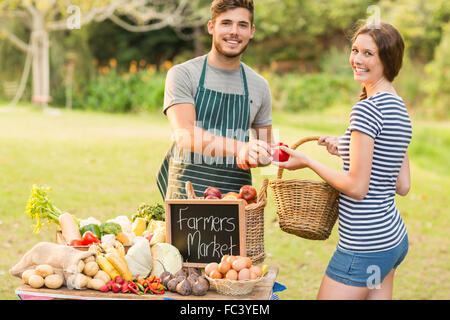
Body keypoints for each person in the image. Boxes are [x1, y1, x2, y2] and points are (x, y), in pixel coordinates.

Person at [272, 21, 411, 300]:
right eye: (355, 50)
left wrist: (308, 161)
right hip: (391, 242)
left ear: (388, 59)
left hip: (363, 246)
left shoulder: (366, 109)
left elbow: (357, 188)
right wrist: (347, 148)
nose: (357, 59)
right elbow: (402, 183)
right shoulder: (398, 106)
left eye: (369, 54)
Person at [157, 0, 272, 200]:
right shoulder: (183, 74)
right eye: (226, 23)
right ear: (211, 27)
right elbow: (184, 135)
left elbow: (265, 149)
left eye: (242, 25)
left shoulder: (259, 85)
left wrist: (263, 153)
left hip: (236, 198)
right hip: (186, 196)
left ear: (251, 31)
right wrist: (241, 148)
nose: (234, 31)